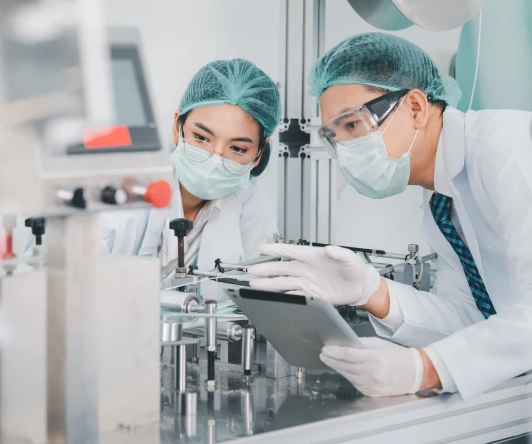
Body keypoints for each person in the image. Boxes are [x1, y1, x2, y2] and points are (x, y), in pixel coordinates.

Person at [249, 32, 532, 400]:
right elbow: (472, 319)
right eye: (334, 137)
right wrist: (372, 292)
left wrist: (425, 370)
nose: (347, 150)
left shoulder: (507, 147)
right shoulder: (441, 204)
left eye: (353, 125)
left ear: (415, 107)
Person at [101, 59, 280, 277]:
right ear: (177, 128)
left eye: (238, 149)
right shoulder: (120, 203)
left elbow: (260, 287)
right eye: (201, 137)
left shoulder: (251, 201)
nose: (215, 158)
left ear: (259, 154)